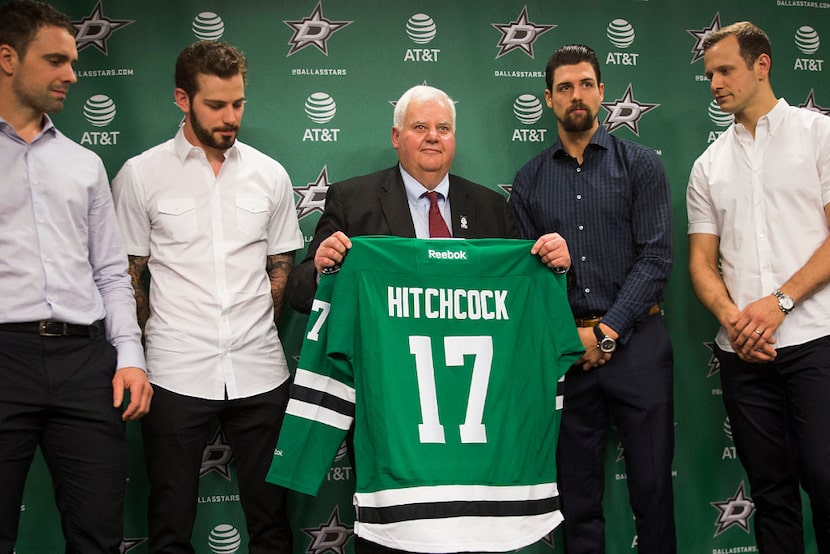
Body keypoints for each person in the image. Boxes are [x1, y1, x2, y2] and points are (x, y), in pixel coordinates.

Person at [112, 40, 302, 553]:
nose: (230, 116)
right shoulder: (140, 174)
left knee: (272, 521)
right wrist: (149, 347)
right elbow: (130, 274)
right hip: (175, 370)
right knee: (169, 523)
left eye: (238, 103)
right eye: (216, 105)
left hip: (260, 369)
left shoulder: (270, 174)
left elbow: (280, 267)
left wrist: (258, 327)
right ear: (183, 99)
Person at [510, 44, 675, 554]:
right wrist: (574, 336)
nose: (576, 95)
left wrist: (606, 334)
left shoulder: (642, 165)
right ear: (548, 99)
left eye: (585, 84)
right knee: (576, 499)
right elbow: (529, 282)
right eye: (564, 88)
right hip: (566, 354)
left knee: (653, 490)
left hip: (638, 344)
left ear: (602, 92)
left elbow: (656, 260)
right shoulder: (529, 181)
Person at [0, 1, 153, 552]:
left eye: (73, 60)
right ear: (8, 58)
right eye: (56, 60)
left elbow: (112, 272)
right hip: (4, 353)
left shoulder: (84, 163)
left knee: (98, 533)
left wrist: (130, 356)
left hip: (86, 363)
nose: (71, 74)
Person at [687, 21, 830, 554]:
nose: (715, 83)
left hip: (817, 342)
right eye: (709, 75)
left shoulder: (819, 136)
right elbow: (702, 263)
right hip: (743, 356)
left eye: (725, 70)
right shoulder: (707, 165)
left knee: (826, 482)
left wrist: (780, 302)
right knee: (771, 495)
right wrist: (734, 321)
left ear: (762, 64)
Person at [286, 84, 572, 314]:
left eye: (443, 128)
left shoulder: (492, 207)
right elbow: (299, 293)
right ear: (396, 137)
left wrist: (556, 267)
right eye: (420, 127)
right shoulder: (352, 200)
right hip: (384, 367)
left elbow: (524, 290)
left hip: (471, 366)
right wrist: (322, 272)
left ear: (454, 138)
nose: (433, 137)